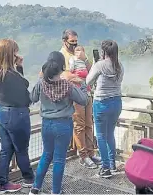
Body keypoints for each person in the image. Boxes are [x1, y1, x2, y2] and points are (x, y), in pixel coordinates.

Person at [29, 51, 89, 195]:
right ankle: (55, 192)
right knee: (59, 159)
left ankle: (35, 188)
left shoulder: (41, 84)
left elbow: (32, 98)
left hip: (47, 125)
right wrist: (82, 86)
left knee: (46, 155)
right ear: (62, 66)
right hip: (63, 125)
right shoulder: (68, 86)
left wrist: (40, 80)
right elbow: (83, 100)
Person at [0, 39, 34, 194]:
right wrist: (20, 67)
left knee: (6, 149)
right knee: (21, 149)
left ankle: (1, 184)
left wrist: (17, 67)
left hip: (1, 111)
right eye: (15, 51)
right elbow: (25, 88)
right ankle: (30, 179)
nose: (17, 54)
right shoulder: (10, 75)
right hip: (16, 114)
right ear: (9, 54)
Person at [59, 29, 101, 169]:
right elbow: (63, 75)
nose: (74, 44)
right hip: (74, 94)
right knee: (79, 125)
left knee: (89, 123)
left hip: (87, 93)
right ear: (64, 41)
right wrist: (77, 78)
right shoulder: (62, 55)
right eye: (71, 42)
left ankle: (91, 152)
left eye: (76, 41)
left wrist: (85, 59)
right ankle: (83, 156)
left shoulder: (79, 52)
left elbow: (90, 70)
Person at [86, 40, 124, 178]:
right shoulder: (120, 66)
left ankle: (106, 168)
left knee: (101, 135)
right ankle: (112, 164)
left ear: (103, 52)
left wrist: (94, 66)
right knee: (110, 134)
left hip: (102, 102)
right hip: (117, 103)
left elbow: (87, 81)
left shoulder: (100, 65)